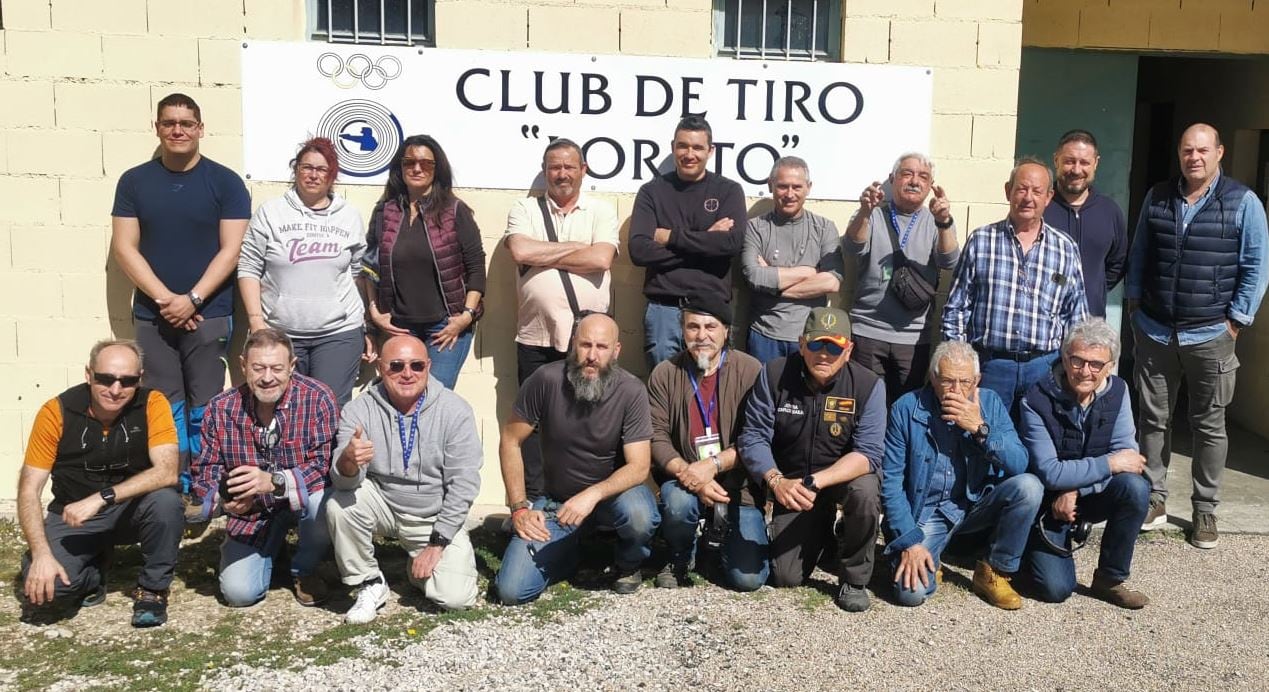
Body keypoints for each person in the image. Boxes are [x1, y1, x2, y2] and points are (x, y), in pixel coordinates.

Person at [1125, 123, 1269, 549]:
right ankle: (1154, 499)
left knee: (1209, 424)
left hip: (1211, 333)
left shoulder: (1243, 202)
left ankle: (1205, 510)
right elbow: (1140, 255)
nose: (1194, 158)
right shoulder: (1159, 196)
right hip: (1155, 329)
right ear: (1179, 153)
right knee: (1152, 420)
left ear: (1219, 153)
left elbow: (1255, 266)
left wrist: (1236, 321)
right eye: (1187, 150)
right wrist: (1134, 307)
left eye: (1203, 150)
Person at [110, 92, 251, 490]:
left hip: (211, 311)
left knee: (204, 405)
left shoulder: (225, 182)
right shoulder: (134, 181)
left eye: (186, 123)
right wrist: (166, 301)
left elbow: (233, 249)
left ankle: (205, 483)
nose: (177, 130)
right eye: (169, 122)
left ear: (200, 129)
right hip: (153, 316)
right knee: (163, 404)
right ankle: (173, 481)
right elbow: (124, 248)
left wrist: (192, 299)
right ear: (156, 128)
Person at [495, 313, 661, 604]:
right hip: (559, 503)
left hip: (612, 500)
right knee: (511, 590)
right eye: (585, 345)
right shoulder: (545, 380)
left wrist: (592, 495)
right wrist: (519, 507)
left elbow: (639, 467)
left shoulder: (632, 391)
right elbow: (510, 440)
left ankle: (628, 563)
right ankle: (573, 550)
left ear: (616, 351)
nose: (592, 356)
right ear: (573, 345)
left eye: (602, 347)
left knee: (640, 515)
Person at [18, 339, 182, 627]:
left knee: (167, 501)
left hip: (131, 510)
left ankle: (153, 589)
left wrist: (101, 497)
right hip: (73, 518)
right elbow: (29, 489)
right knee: (47, 594)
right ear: (88, 374)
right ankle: (94, 570)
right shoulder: (56, 412)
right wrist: (42, 554)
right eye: (105, 379)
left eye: (127, 381)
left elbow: (167, 471)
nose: (116, 389)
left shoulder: (153, 403)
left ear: (139, 380)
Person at [736, 307, 885, 612]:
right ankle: (826, 532)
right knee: (786, 576)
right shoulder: (774, 374)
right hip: (791, 484)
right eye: (817, 344)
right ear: (802, 344)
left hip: (839, 480)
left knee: (866, 491)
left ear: (849, 350)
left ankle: (854, 579)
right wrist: (776, 480)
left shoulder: (869, 385)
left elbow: (868, 454)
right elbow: (752, 437)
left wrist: (816, 481)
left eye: (835, 346)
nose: (825, 354)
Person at [327, 335, 482, 624]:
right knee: (340, 504)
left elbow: (464, 483)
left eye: (417, 365)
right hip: (383, 503)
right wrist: (348, 460)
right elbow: (344, 483)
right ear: (380, 369)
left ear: (429, 367)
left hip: (431, 516)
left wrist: (437, 544)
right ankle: (369, 583)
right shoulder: (359, 410)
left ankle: (419, 563)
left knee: (456, 599)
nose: (407, 373)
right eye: (396, 366)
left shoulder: (455, 410)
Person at [880, 341, 1042, 610]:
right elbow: (891, 483)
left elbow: (1019, 463)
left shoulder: (989, 402)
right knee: (911, 594)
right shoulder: (906, 409)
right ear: (933, 378)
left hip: (975, 503)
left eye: (965, 382)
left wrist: (980, 429)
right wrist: (909, 541)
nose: (956, 390)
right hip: (927, 512)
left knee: (1029, 487)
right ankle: (932, 555)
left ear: (976, 380)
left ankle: (994, 570)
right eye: (947, 381)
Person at [505, 138, 619, 501]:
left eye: (570, 166)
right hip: (535, 337)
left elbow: (602, 259)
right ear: (545, 170)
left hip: (589, 341)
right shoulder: (524, 209)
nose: (562, 173)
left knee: (590, 419)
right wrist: (578, 251)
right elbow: (520, 250)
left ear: (583, 170)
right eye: (555, 167)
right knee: (532, 424)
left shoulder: (601, 211)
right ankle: (536, 500)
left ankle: (588, 502)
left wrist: (545, 254)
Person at [191, 328, 337, 608]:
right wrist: (225, 501)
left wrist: (275, 481)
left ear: (292, 367)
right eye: (258, 368)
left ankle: (304, 569)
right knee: (238, 594)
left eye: (277, 368)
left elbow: (323, 467)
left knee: (323, 501)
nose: (267, 377)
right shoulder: (220, 409)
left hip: (303, 502)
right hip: (252, 512)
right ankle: (272, 554)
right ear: (243, 364)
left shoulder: (318, 398)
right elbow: (206, 472)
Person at [1019, 319, 1150, 608]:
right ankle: (1028, 552)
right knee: (1056, 590)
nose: (1085, 371)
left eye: (1096, 364)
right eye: (1077, 361)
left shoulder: (1119, 391)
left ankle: (1110, 578)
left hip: (1083, 496)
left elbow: (1128, 458)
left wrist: (1076, 489)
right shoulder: (1036, 399)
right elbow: (1050, 472)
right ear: (1065, 357)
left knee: (1135, 487)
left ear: (1110, 365)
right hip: (1049, 504)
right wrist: (1108, 464)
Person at [942, 157, 1089, 411]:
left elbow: (1076, 316)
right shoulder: (982, 240)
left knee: (1038, 443)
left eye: (1037, 191)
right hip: (990, 367)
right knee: (983, 440)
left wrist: (1072, 369)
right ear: (1008, 191)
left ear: (1049, 197)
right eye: (1021, 189)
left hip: (1044, 367)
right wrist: (959, 364)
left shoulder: (1065, 248)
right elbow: (957, 308)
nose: (1028, 197)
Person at [647, 295, 766, 590]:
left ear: (726, 330)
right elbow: (657, 436)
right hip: (684, 480)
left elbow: (758, 437)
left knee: (748, 579)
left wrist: (713, 465)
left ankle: (717, 546)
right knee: (676, 502)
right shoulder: (665, 373)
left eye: (711, 327)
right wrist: (692, 475)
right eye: (693, 327)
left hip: (738, 488)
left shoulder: (751, 371)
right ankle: (680, 554)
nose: (702, 336)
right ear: (682, 330)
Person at [239, 137, 368, 406]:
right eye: (306, 167)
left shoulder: (349, 216)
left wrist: (366, 327)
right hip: (280, 332)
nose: (312, 174)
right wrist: (256, 324)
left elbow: (356, 272)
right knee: (282, 406)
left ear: (332, 175)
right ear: (295, 170)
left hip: (338, 333)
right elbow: (249, 267)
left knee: (330, 407)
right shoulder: (271, 213)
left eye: (321, 169)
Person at [361, 134, 486, 389]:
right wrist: (375, 313)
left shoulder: (454, 210)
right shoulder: (386, 211)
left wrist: (465, 317)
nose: (417, 168)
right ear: (400, 167)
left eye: (426, 163)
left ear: (436, 169)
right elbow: (370, 266)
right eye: (410, 162)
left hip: (446, 327)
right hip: (401, 326)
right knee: (401, 397)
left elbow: (476, 266)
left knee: (433, 400)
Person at [629, 116, 748, 369]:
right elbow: (639, 250)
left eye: (697, 147)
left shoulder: (728, 191)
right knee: (664, 387)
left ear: (710, 150)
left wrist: (671, 237)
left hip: (711, 309)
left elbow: (732, 244)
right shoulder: (652, 192)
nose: (689, 154)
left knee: (708, 386)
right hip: (664, 308)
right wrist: (707, 238)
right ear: (673, 147)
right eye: (683, 146)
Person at [845, 152, 961, 402]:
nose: (914, 181)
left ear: (930, 186)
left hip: (913, 337)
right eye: (907, 174)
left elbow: (949, 261)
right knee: (866, 407)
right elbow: (852, 247)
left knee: (904, 408)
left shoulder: (937, 221)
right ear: (892, 179)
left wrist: (944, 222)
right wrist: (865, 212)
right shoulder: (872, 214)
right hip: (867, 331)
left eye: (923, 177)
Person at [741, 156, 844, 363]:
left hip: (810, 337)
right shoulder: (754, 227)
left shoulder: (824, 228)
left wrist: (773, 284)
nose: (789, 194)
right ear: (770, 186)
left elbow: (832, 282)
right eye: (782, 186)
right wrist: (809, 272)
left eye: (797, 187)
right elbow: (752, 276)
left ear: (808, 187)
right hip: (764, 334)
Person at [1043, 130, 1128, 318]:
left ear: (1096, 163)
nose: (1076, 170)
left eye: (1084, 162)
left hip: (1090, 322)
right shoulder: (1041, 207)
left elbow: (1118, 262)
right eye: (1069, 161)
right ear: (1056, 160)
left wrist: (1093, 287)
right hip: (1043, 323)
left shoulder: (1109, 211)